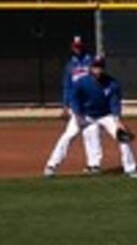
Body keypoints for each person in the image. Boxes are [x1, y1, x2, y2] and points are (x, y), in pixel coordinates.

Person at [41, 33, 96, 177]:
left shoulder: (91, 61)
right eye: (75, 46)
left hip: (91, 105)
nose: (77, 48)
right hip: (77, 105)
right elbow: (67, 86)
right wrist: (65, 106)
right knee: (69, 135)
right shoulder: (70, 65)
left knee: (92, 134)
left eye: (79, 46)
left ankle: (93, 165)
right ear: (72, 47)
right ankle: (52, 165)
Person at [91, 55, 137, 177]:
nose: (98, 69)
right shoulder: (84, 83)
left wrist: (118, 121)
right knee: (89, 135)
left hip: (107, 115)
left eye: (100, 67)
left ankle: (130, 169)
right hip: (89, 115)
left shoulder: (112, 83)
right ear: (91, 68)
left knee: (123, 136)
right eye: (95, 66)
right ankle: (94, 165)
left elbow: (115, 104)